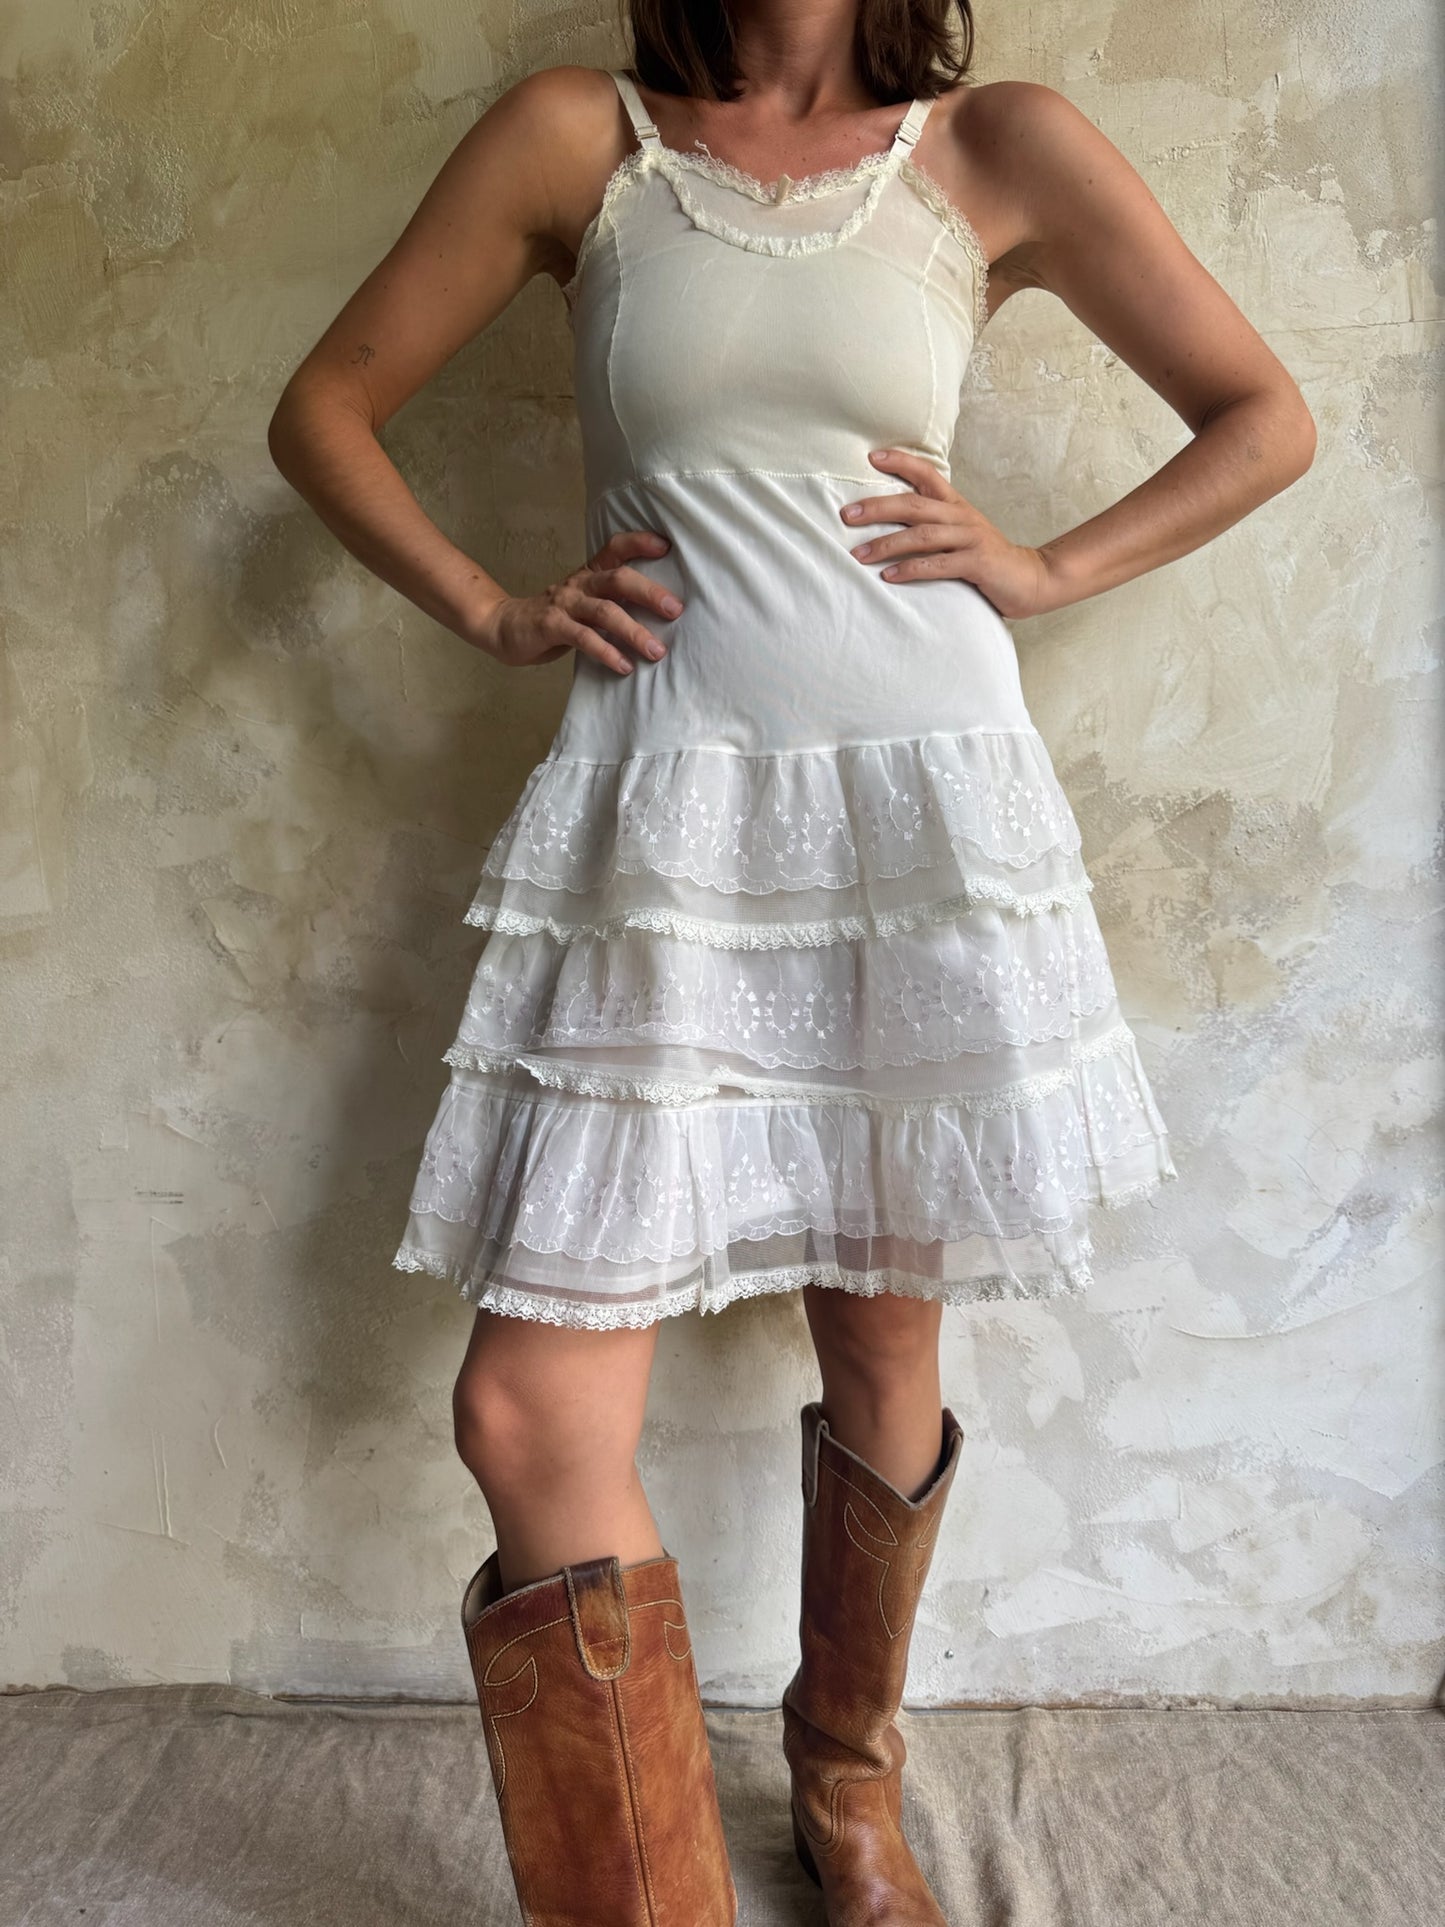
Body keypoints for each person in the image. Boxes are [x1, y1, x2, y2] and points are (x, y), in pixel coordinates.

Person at [268, 3, 1315, 1921]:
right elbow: (321, 413)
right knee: (524, 1411)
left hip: (918, 812)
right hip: (663, 819)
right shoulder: (582, 140)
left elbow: (1264, 416)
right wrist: (492, 608)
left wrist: (1046, 568)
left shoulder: (995, 147)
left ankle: (846, 1778)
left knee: (883, 1325)